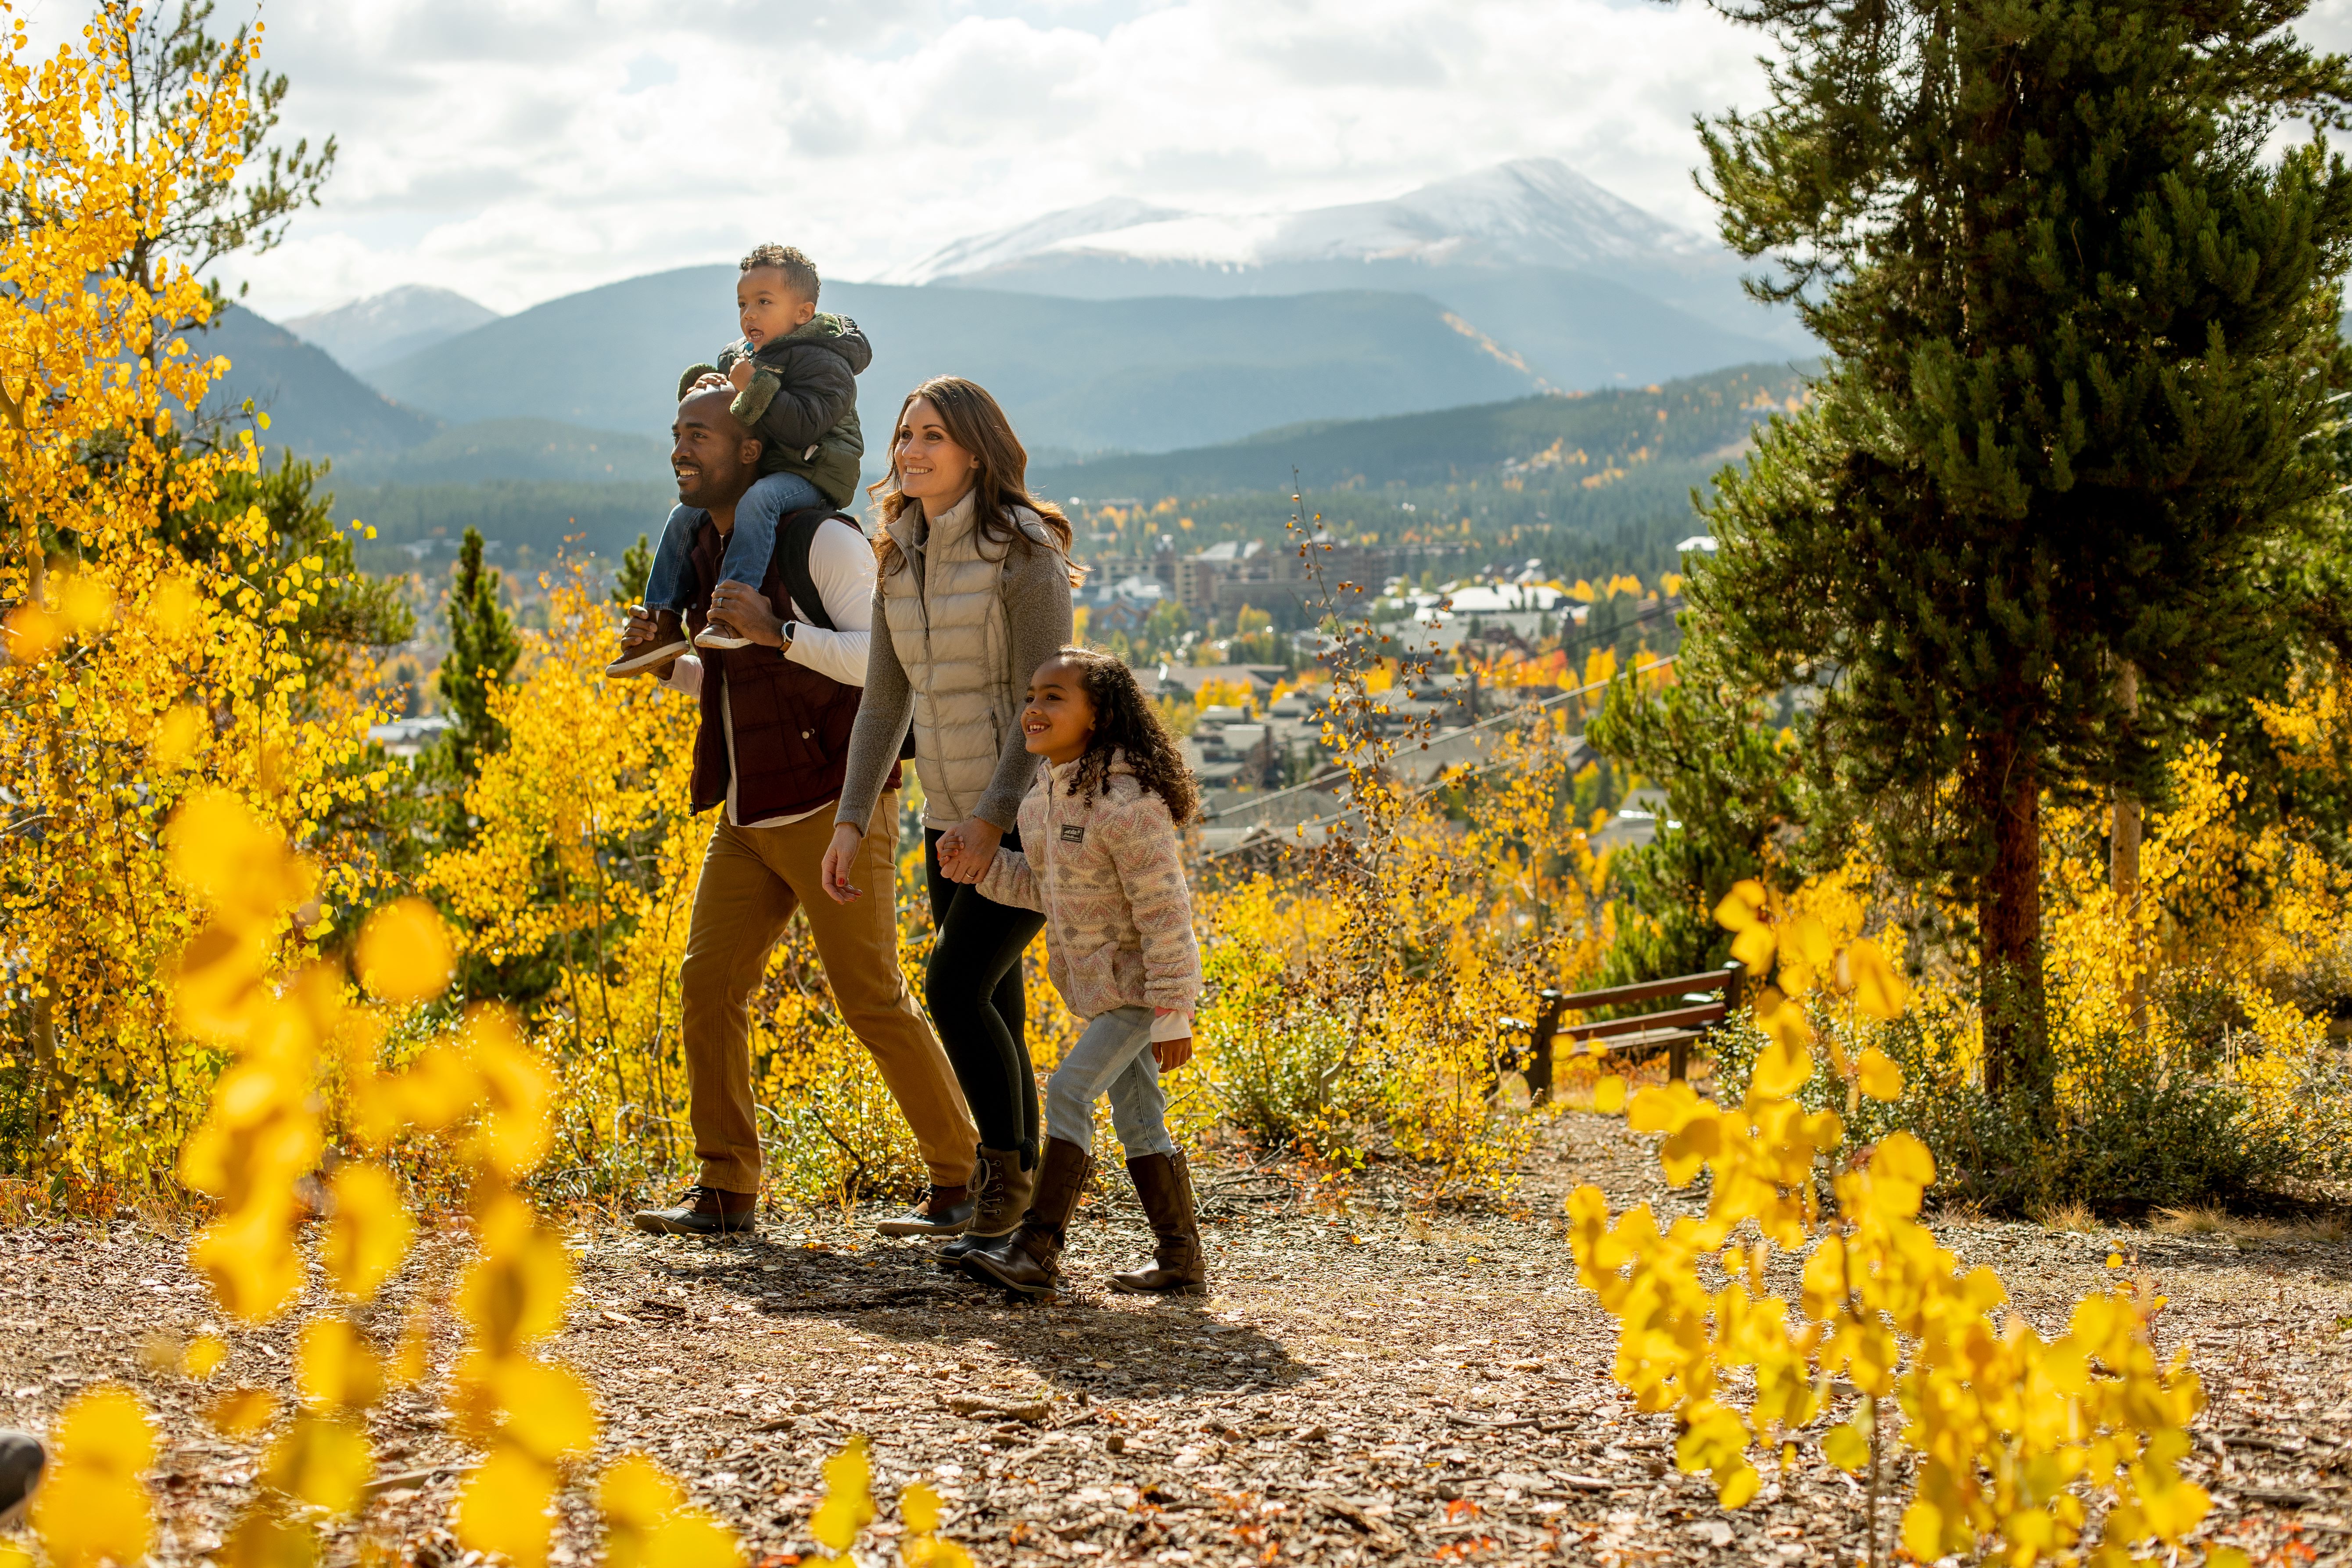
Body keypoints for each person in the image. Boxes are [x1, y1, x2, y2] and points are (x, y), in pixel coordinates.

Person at [617, 384, 980, 1238]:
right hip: (749, 812)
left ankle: (966, 1179)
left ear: (750, 450)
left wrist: (781, 630)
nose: (681, 447)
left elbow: (891, 666)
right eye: (676, 433)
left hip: (836, 805)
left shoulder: (820, 539)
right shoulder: (705, 551)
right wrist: (663, 664)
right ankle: (726, 1187)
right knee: (708, 983)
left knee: (870, 998)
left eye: (699, 435)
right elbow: (737, 682)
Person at [821, 377, 1078, 1263]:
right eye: (904, 436)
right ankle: (1018, 1210)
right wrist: (853, 819)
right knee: (994, 1001)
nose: (912, 451)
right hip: (946, 818)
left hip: (1033, 812)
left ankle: (1001, 1190)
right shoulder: (900, 551)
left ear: (974, 449)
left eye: (932, 436)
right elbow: (885, 699)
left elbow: (1049, 702)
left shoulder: (1023, 552)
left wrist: (994, 815)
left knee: (953, 986)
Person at [959, 647, 1206, 1297]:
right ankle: (1182, 1262)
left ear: (1096, 714)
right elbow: (1052, 889)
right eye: (1032, 695)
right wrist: (980, 868)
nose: (1034, 708)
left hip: (1137, 991)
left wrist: (1173, 1012)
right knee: (1141, 1120)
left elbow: (1166, 912)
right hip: (1100, 988)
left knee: (1069, 1089)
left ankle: (1036, 1251)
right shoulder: (1044, 795)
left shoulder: (1128, 802)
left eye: (1054, 697)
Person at [608, 243, 871, 676]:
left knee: (759, 501)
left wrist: (754, 388)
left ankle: (734, 608)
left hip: (815, 470)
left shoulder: (826, 362)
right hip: (770, 467)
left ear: (802, 313)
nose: (750, 314)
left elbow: (803, 427)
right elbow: (716, 412)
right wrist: (706, 382)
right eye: (743, 304)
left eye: (764, 302)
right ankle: (662, 622)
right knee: (683, 516)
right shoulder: (746, 355)